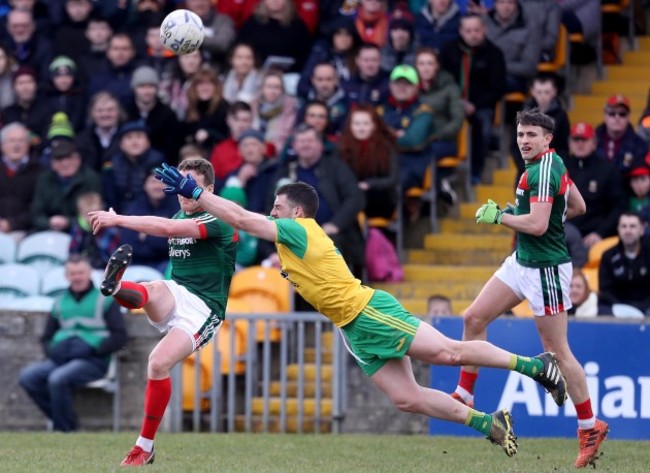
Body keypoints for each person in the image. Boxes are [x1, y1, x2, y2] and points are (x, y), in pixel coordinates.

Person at [154, 166, 571, 459]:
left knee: (449, 353)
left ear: (296, 212)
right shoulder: (287, 233)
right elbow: (244, 220)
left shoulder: (298, 230)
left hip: (369, 311)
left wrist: (197, 194)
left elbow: (243, 218)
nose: (273, 212)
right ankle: (491, 424)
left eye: (278, 207)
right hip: (352, 328)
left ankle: (537, 366)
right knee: (407, 400)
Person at [450, 108, 609, 468]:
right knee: (474, 317)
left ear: (547, 139)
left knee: (557, 352)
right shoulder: (552, 164)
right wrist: (540, 214)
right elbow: (579, 206)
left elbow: (537, 226)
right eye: (521, 134)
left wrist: (500, 217)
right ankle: (464, 395)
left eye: (532, 135)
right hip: (521, 263)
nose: (524, 140)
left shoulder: (542, 170)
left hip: (546, 270)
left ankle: (589, 426)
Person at [88, 158, 238, 466]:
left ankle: (144, 446)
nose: (182, 192)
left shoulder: (217, 218)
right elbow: (169, 225)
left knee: (156, 363)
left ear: (208, 189)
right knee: (153, 288)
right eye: (178, 185)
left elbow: (168, 228)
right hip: (179, 291)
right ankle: (116, 288)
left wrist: (120, 220)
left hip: (205, 308)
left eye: (190, 185)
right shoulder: (179, 212)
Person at [18, 254, 127, 432]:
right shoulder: (59, 302)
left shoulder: (106, 300)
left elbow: (120, 337)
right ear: (66, 276)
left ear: (90, 273)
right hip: (60, 359)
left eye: (81, 273)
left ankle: (64, 429)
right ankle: (66, 421)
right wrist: (53, 351)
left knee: (57, 379)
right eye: (72, 273)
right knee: (28, 377)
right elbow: (46, 337)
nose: (77, 277)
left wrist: (94, 348)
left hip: (92, 361)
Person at [598, 212, 650, 317]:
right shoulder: (608, 256)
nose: (628, 231)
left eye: (633, 226)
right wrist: (623, 308)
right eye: (624, 226)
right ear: (618, 230)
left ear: (641, 230)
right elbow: (605, 290)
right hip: (618, 307)